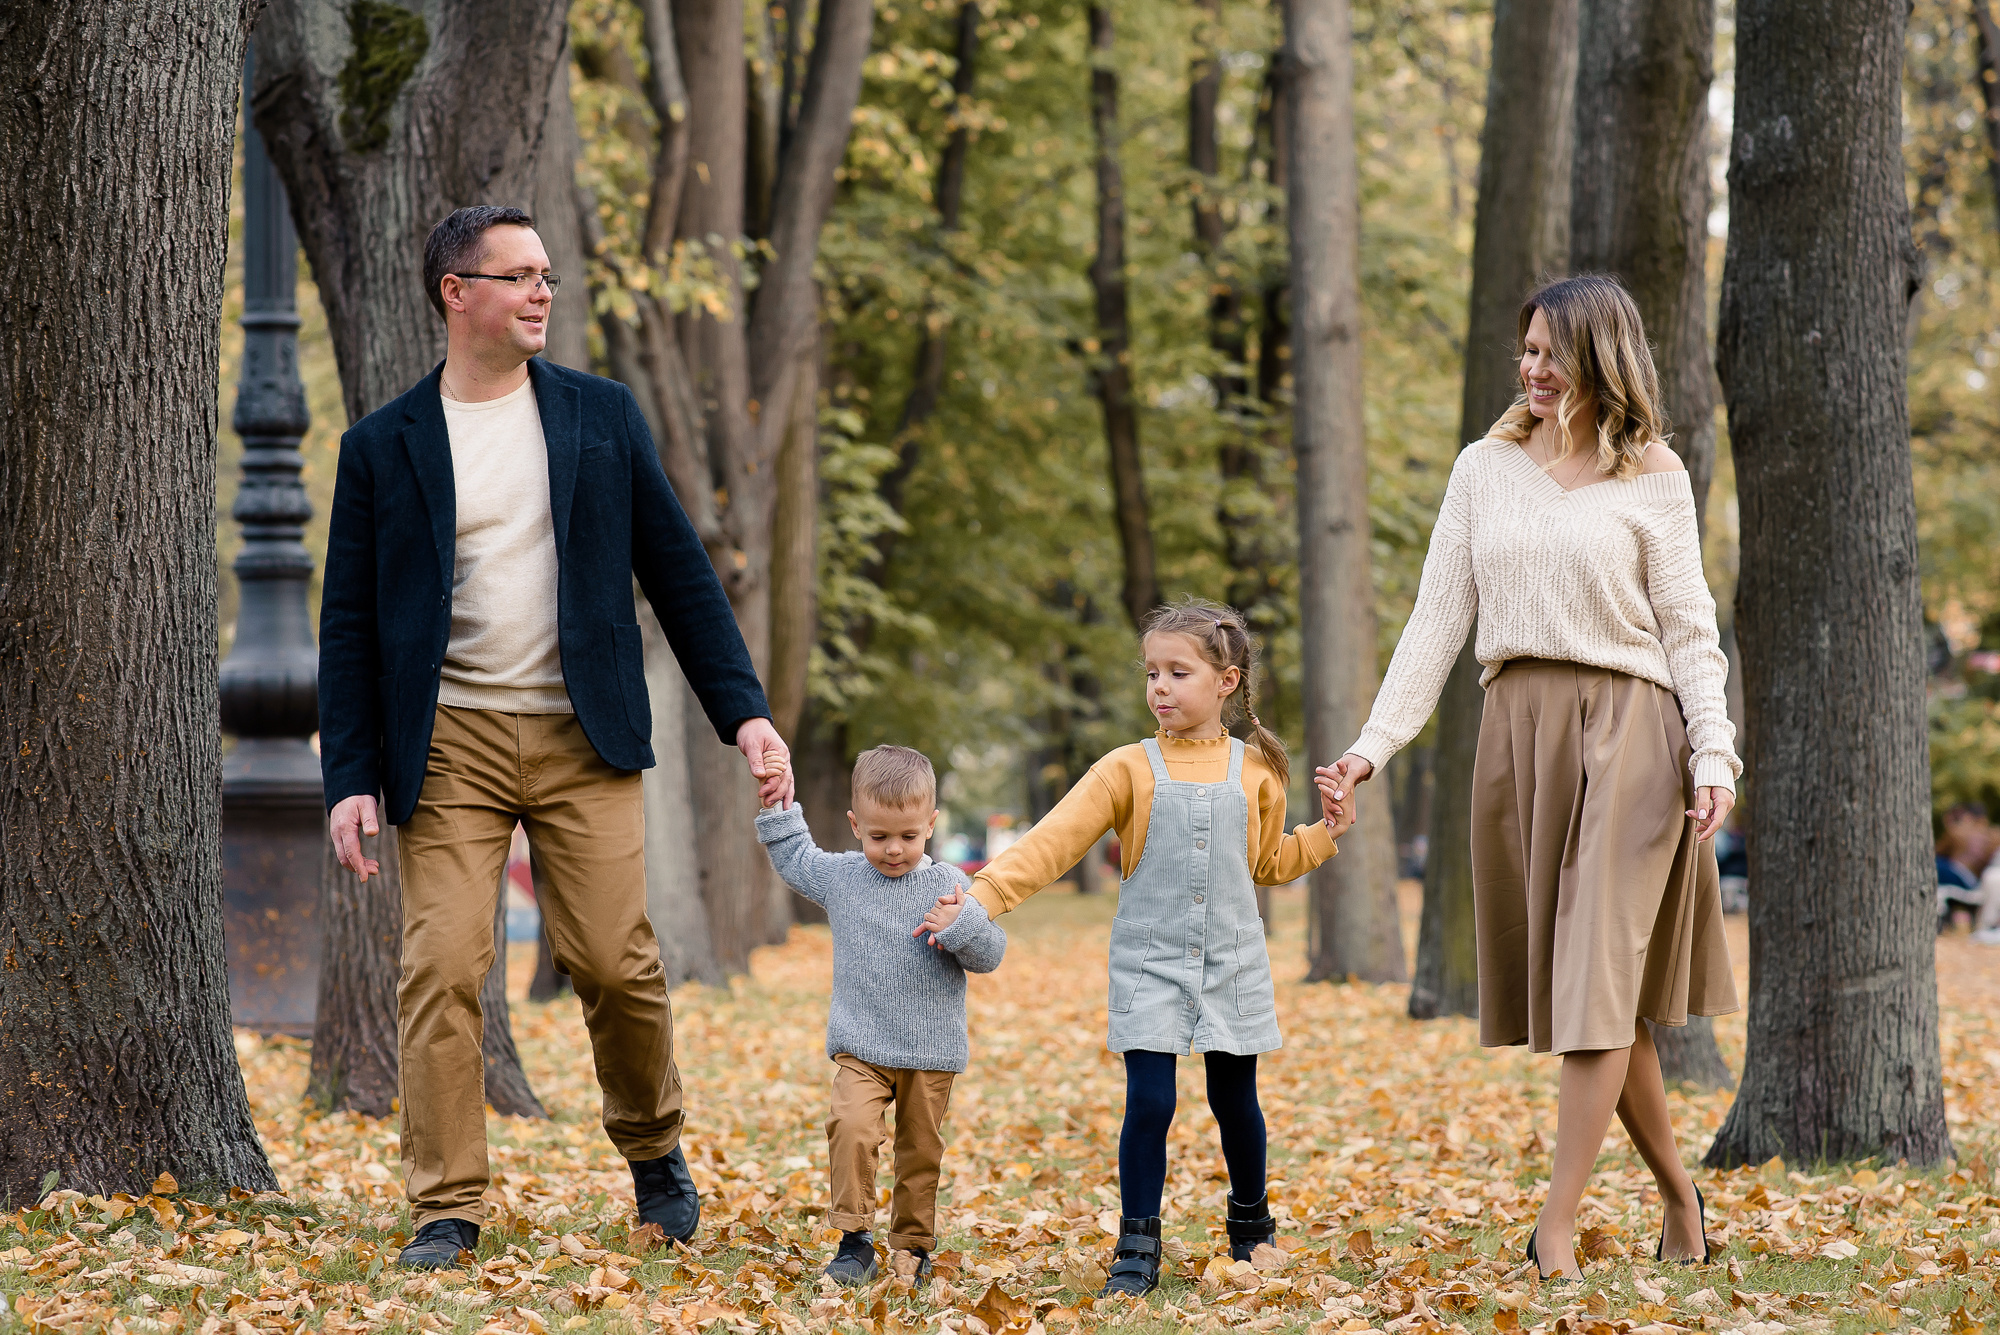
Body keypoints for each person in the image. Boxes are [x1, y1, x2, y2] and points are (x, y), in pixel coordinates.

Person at [318, 205, 792, 1270]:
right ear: (458, 292)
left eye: (547, 276)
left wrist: (746, 714)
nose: (541, 293)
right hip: (448, 741)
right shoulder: (381, 447)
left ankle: (654, 1152)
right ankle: (445, 1204)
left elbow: (677, 572)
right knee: (440, 963)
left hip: (585, 734)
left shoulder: (598, 416)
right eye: (519, 275)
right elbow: (345, 620)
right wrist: (348, 770)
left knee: (614, 966)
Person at [1326, 275, 1739, 1280]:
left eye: (1550, 352)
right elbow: (1436, 619)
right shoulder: (1485, 467)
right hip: (1519, 735)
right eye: (1524, 350)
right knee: (1600, 997)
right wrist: (1368, 747)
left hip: (1633, 734)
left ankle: (1551, 1224)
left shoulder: (1653, 475)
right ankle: (1680, 1200)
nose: (1530, 369)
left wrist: (1713, 749)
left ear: (1602, 358)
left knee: (1595, 979)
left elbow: (1688, 627)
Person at [923, 598, 1351, 1297]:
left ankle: (1252, 1228)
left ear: (1227, 681)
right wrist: (979, 896)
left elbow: (1268, 862)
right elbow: (1051, 843)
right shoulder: (1126, 768)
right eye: (1152, 671)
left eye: (1177, 672)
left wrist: (1326, 832)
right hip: (1150, 965)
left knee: (1235, 1097)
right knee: (1149, 1102)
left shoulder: (1258, 771)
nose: (1159, 686)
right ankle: (1137, 1240)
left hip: (1233, 962)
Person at [755, 746, 1007, 1287]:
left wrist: (959, 926)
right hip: (862, 1046)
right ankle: (854, 1241)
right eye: (878, 837)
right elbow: (797, 858)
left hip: (930, 1053)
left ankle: (913, 1247)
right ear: (855, 825)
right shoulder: (844, 878)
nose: (894, 850)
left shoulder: (950, 886)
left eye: (909, 837)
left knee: (919, 1151)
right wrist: (779, 810)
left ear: (931, 825)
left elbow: (990, 954)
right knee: (849, 1128)